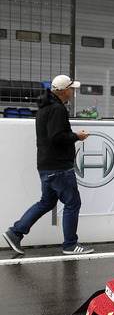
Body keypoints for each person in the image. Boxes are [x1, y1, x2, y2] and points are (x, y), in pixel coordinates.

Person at [3, 75, 92, 255]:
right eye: (71, 88)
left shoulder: (45, 108)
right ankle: (70, 245)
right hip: (58, 167)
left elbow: (53, 135)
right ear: (63, 90)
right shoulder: (57, 109)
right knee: (73, 203)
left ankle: (15, 233)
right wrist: (77, 136)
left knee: (46, 202)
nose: (73, 91)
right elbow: (56, 137)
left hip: (47, 165)